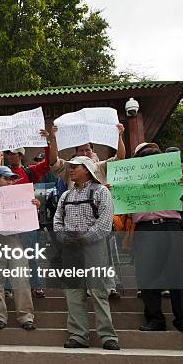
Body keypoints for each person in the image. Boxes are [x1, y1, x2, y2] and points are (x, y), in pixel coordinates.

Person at [48, 124, 126, 299]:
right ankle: (85, 287)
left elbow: (120, 157)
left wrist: (119, 136)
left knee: (104, 254)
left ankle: (109, 287)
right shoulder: (70, 167)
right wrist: (53, 139)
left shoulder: (100, 166)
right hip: (75, 222)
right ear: (75, 154)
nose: (84, 153)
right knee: (77, 260)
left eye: (87, 150)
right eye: (81, 151)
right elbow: (53, 160)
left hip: (98, 220)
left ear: (92, 151)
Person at [53, 156, 119, 350]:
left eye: (76, 167)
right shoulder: (66, 196)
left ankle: (108, 336)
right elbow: (58, 220)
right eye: (71, 167)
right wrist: (63, 237)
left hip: (94, 248)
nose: (71, 170)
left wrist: (85, 238)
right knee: (73, 293)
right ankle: (78, 335)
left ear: (88, 170)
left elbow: (105, 223)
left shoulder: (101, 192)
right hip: (70, 250)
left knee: (99, 292)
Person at [131, 143, 183, 334]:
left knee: (175, 273)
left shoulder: (175, 177)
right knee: (147, 275)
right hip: (144, 228)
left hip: (170, 226)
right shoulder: (131, 181)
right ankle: (154, 319)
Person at [0, 129, 51, 298]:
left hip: (26, 223)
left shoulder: (30, 172)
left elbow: (47, 164)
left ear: (21, 155)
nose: (11, 156)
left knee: (30, 254)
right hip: (6, 225)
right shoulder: (1, 173)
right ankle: (9, 288)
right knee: (7, 257)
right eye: (9, 153)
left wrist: (47, 144)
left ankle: (36, 285)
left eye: (15, 153)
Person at [0, 166, 38, 330]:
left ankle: (26, 317)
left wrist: (34, 207)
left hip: (16, 241)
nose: (10, 182)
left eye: (12, 179)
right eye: (6, 178)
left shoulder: (22, 197)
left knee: (20, 278)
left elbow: (30, 221)